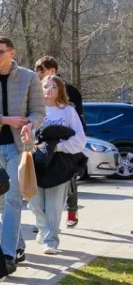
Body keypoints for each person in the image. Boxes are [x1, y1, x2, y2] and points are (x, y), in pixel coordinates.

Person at [0, 37, 45, 275]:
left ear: (12, 53)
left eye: (0, 52)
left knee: (13, 198)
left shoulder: (29, 77)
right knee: (2, 201)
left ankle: (7, 254)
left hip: (18, 148)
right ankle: (19, 246)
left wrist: (29, 124)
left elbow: (38, 111)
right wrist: (4, 120)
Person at [21, 75, 86, 254]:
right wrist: (31, 143)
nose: (49, 90)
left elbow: (80, 139)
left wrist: (58, 147)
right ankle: (43, 229)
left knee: (54, 206)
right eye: (46, 86)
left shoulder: (68, 111)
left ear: (60, 90)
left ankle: (51, 241)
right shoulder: (33, 112)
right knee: (34, 203)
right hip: (35, 161)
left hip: (59, 163)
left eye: (53, 87)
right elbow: (25, 136)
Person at [34, 56, 85, 228]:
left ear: (52, 70)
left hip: (62, 154)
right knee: (35, 202)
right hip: (39, 157)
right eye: (36, 70)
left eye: (41, 70)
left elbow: (78, 125)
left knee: (67, 184)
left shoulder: (70, 95)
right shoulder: (35, 99)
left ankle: (71, 212)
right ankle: (44, 226)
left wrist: (62, 146)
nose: (38, 73)